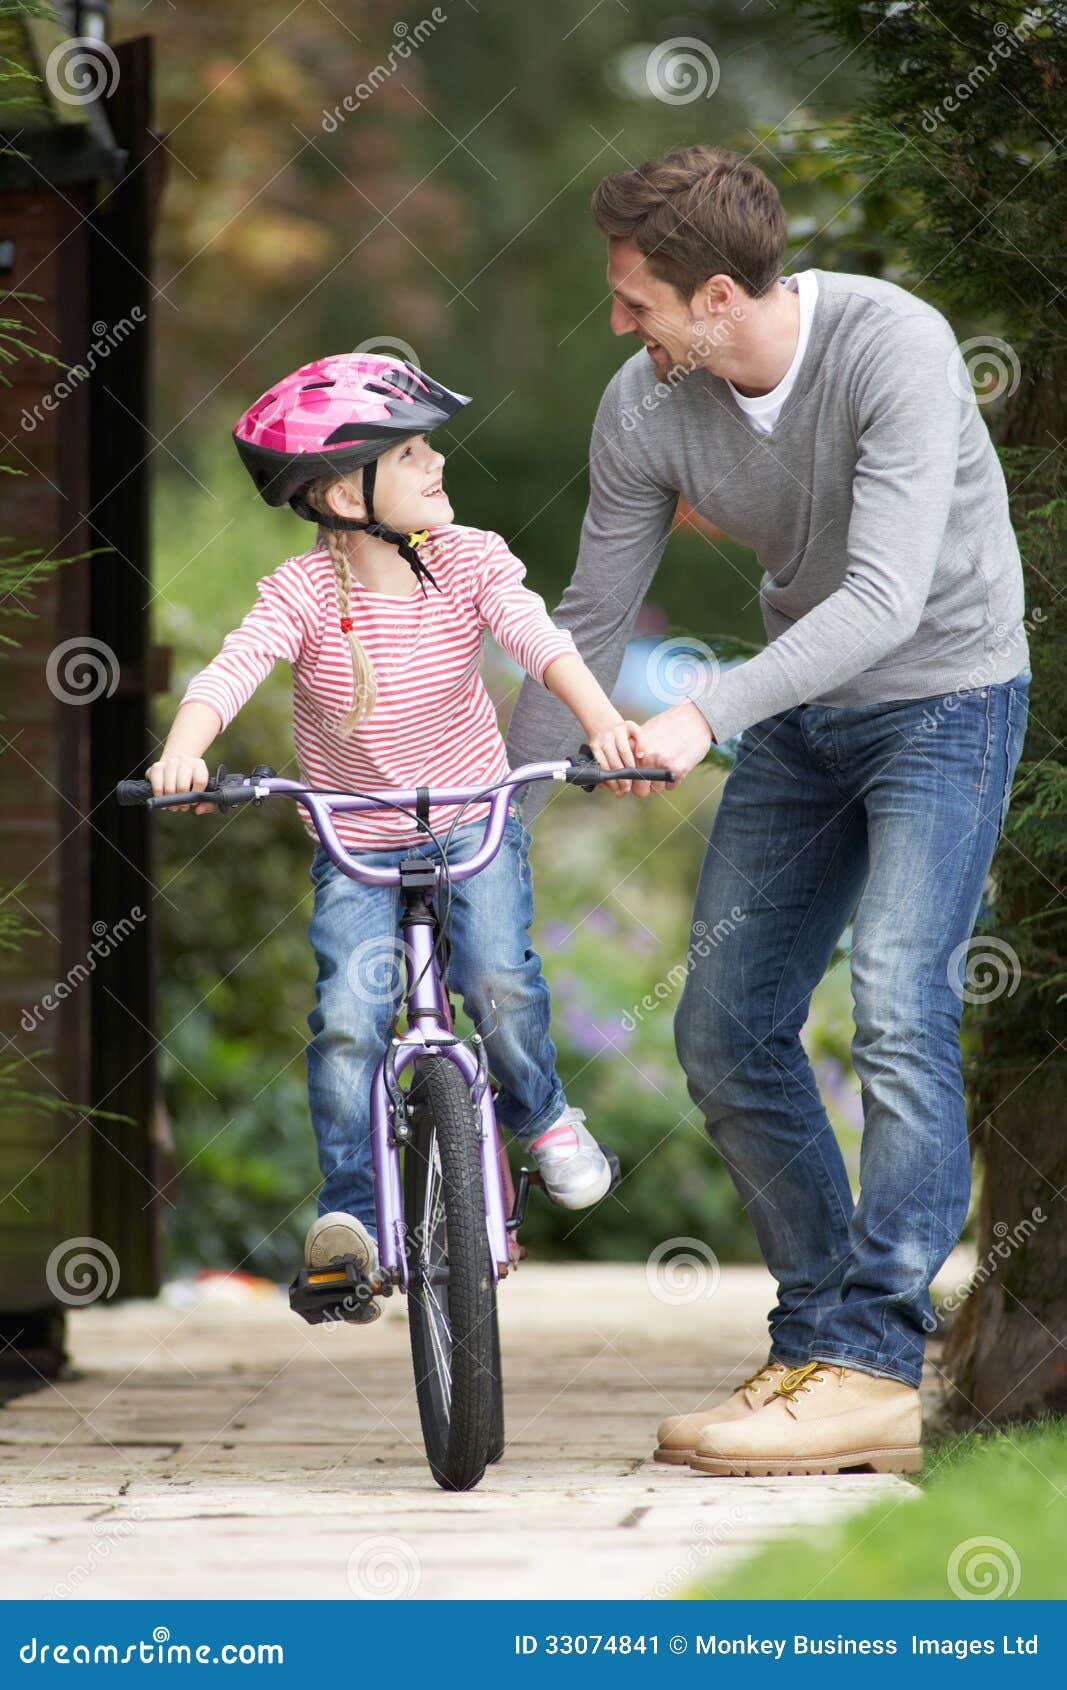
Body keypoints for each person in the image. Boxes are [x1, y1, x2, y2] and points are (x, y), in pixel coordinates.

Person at [506, 146, 1030, 1475]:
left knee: (903, 999)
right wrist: (495, 803)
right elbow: (591, 614)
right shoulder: (643, 406)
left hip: (943, 699)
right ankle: (818, 1346)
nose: (618, 324)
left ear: (721, 295)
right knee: (723, 1026)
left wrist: (694, 717)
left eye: (636, 302)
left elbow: (883, 601)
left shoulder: (891, 348)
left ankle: (870, 1361)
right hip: (800, 716)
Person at [148, 352, 642, 1310]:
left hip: (471, 828)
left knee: (498, 977)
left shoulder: (468, 561)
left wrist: (601, 724)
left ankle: (542, 1121)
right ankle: (352, 1222)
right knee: (345, 1023)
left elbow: (539, 638)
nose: (437, 468)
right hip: (358, 848)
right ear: (343, 493)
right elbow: (230, 670)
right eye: (411, 455)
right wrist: (183, 749)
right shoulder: (300, 593)